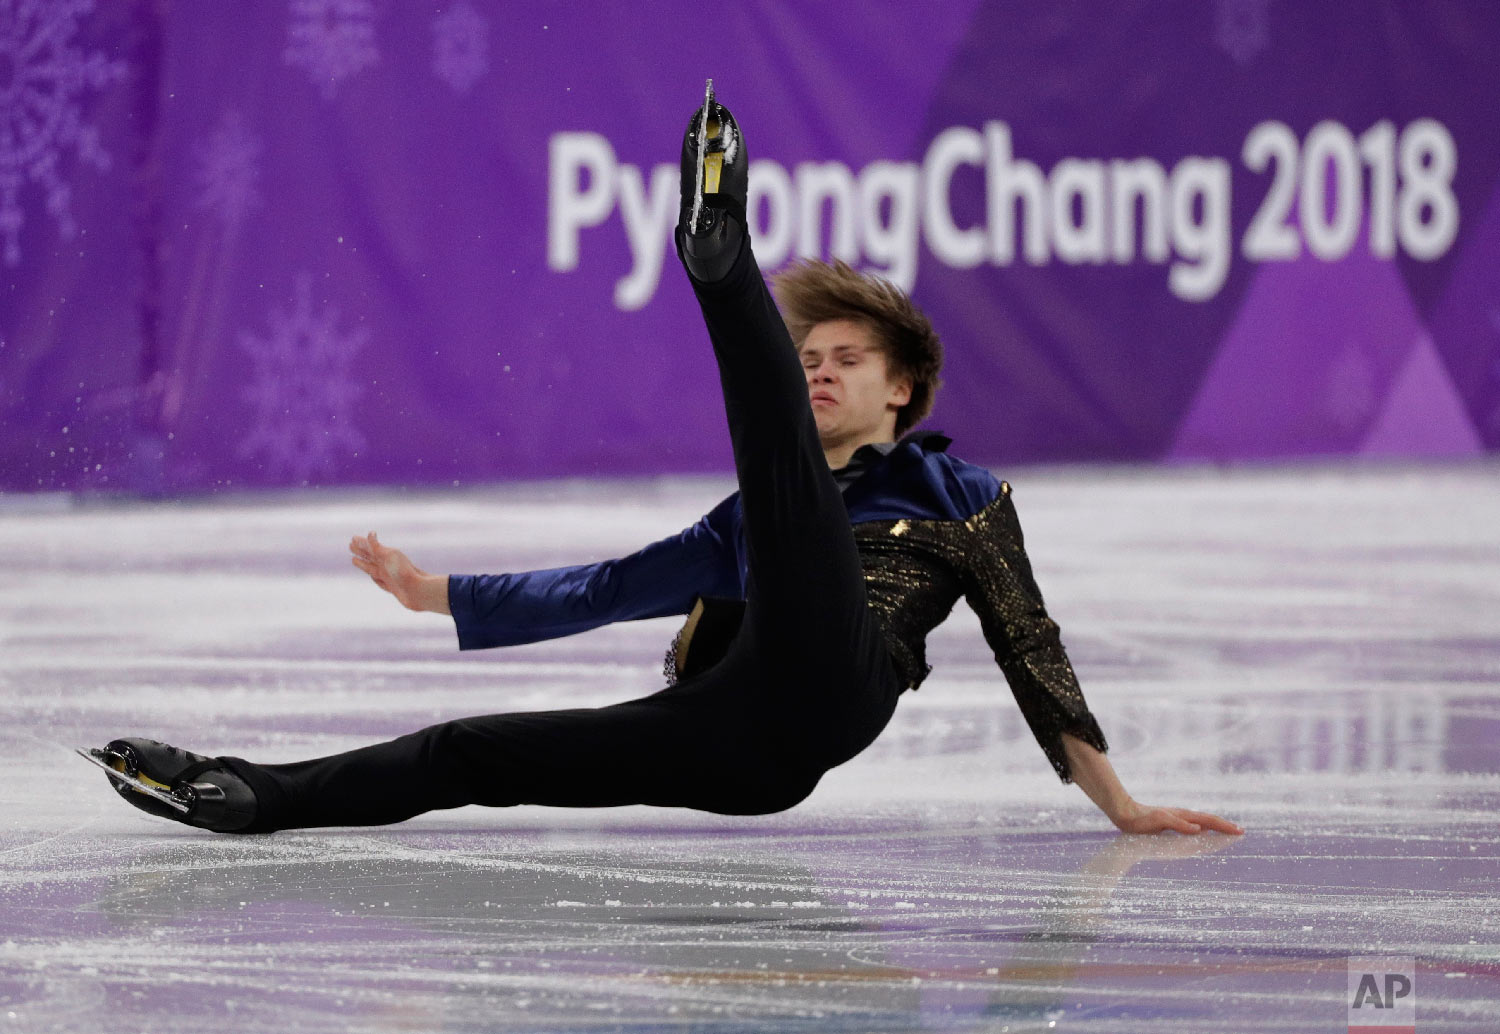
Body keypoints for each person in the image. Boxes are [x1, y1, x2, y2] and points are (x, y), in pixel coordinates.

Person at [91, 85, 1242, 839]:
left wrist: (1122, 806)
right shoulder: (760, 510)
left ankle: (716, 254)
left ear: (906, 388)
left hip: (841, 685)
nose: (823, 372)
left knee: (784, 477)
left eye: (846, 360)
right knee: (468, 750)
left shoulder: (960, 496)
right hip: (736, 745)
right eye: (809, 357)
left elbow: (1027, 642)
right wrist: (437, 591)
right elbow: (608, 586)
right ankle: (242, 791)